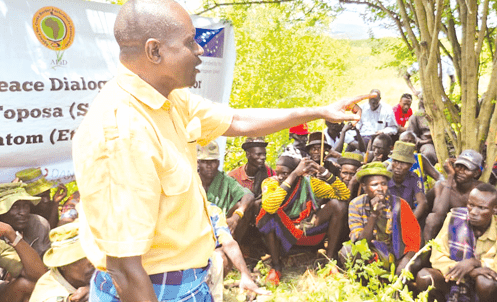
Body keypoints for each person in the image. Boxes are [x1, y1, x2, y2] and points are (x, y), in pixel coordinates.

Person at [72, 0, 372, 300]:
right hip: (155, 289)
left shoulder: (169, 99)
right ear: (155, 51)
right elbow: (123, 268)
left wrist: (320, 111)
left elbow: (239, 120)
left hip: (189, 280)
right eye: (191, 43)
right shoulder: (121, 133)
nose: (200, 51)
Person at [416, 184, 497, 302]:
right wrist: (471, 271)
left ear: (495, 209)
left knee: (485, 282)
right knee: (424, 276)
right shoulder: (455, 218)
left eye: (482, 208)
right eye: (471, 205)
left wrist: (475, 263)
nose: (473, 212)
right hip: (455, 280)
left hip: (487, 289)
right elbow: (438, 258)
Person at [257, 154, 351, 285]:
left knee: (338, 205)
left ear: (300, 173)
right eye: (278, 173)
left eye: (285, 173)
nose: (280, 177)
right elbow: (270, 206)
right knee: (267, 213)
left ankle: (329, 262)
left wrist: (322, 171)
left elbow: (344, 194)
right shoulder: (270, 182)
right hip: (282, 232)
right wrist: (292, 176)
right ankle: (276, 266)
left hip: (306, 227)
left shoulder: (309, 182)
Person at [341, 162, 423, 276]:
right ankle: (364, 281)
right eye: (374, 185)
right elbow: (360, 241)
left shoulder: (400, 204)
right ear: (364, 187)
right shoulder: (356, 204)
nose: (380, 188)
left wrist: (402, 266)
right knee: (347, 252)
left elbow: (413, 242)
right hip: (371, 253)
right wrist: (374, 215)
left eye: (383, 184)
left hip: (396, 255)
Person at [206, 204, 268, 301]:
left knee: (220, 258)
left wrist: (245, 274)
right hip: (177, 267)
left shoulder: (211, 210)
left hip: (197, 267)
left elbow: (228, 243)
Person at [198, 141, 255, 242]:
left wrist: (237, 215)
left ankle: (235, 243)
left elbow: (248, 195)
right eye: (205, 162)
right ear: (198, 163)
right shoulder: (191, 179)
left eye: (213, 161)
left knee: (243, 205)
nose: (209, 165)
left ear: (218, 162)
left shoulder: (224, 179)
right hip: (195, 225)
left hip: (221, 224)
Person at [423, 150, 485, 242]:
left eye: (466, 169)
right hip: (441, 231)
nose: (461, 171)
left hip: (466, 232)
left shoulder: (480, 190)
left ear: (476, 173)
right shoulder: (442, 185)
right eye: (458, 166)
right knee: (432, 220)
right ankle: (425, 254)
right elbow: (439, 213)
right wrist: (450, 177)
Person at [0, 182, 51, 257]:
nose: (23, 212)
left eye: (26, 205)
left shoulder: (39, 226)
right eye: (15, 207)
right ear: (0, 212)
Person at [29, 222, 95, 302]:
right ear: (63, 265)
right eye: (80, 259)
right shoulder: (50, 295)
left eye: (92, 254)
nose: (91, 262)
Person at [387, 141, 428, 222]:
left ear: (410, 165)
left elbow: (422, 202)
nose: (398, 166)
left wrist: (409, 222)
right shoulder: (385, 178)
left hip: (407, 216)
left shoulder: (413, 178)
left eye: (403, 163)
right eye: (395, 161)